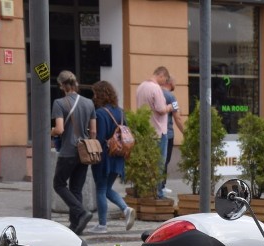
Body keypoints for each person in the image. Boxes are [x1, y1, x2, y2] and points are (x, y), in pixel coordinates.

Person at [50, 70, 96, 235]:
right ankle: (76, 226)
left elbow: (60, 129)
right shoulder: (89, 103)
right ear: (75, 83)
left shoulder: (59, 103)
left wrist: (51, 132)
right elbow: (93, 132)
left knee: (59, 184)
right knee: (76, 188)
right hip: (84, 151)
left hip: (68, 151)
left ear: (62, 85)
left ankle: (81, 212)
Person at [88, 81, 135, 234]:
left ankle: (102, 225)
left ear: (100, 95)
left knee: (101, 189)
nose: (94, 97)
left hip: (105, 157)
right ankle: (126, 209)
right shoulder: (121, 112)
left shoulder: (100, 113)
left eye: (95, 94)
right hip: (119, 156)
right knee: (107, 189)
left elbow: (100, 138)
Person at [136, 66, 172, 199]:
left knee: (146, 164)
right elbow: (161, 109)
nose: (165, 82)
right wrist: (169, 107)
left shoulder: (141, 86)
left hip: (145, 130)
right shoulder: (156, 88)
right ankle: (157, 192)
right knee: (159, 164)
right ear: (161, 75)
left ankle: (146, 191)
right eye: (165, 79)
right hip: (158, 130)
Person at [162, 76, 185, 194]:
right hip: (168, 133)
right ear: (170, 82)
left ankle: (157, 186)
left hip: (155, 133)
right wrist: (185, 132)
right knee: (165, 160)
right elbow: (177, 118)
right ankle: (162, 186)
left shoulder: (156, 93)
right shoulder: (171, 97)